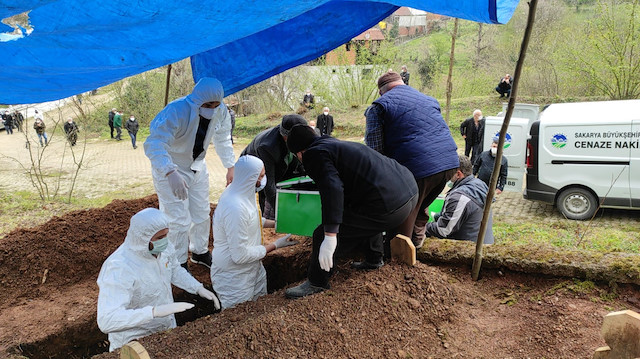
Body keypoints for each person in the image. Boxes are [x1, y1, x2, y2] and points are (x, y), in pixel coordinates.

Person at [284, 125, 418, 299]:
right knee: (361, 214)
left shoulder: (313, 154)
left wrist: (330, 234)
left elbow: (332, 189)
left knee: (320, 234)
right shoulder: (332, 144)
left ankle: (317, 282)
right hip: (409, 193)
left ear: (299, 153)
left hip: (389, 205)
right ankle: (374, 259)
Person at [97, 208, 220, 352]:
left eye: (166, 235)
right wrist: (153, 312)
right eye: (159, 238)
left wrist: (197, 288)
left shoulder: (163, 249)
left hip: (165, 332)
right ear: (143, 238)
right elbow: (107, 320)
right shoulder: (119, 268)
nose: (165, 241)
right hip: (135, 342)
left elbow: (174, 269)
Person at [144, 77, 235, 270]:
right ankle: (177, 262)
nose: (212, 108)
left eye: (216, 104)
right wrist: (169, 172)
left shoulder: (221, 112)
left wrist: (230, 166)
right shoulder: (176, 111)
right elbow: (155, 143)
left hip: (197, 167)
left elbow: (223, 137)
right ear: (197, 100)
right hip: (172, 168)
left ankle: (199, 251)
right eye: (208, 104)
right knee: (177, 218)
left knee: (201, 213)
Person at [364, 71, 459, 250]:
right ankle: (416, 248)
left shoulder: (378, 106)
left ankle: (399, 264)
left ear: (381, 91)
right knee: (419, 204)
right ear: (403, 83)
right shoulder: (429, 99)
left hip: (418, 169)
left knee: (400, 218)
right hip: (449, 164)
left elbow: (374, 152)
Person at [212, 155, 299, 309]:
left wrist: (280, 224)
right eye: (261, 176)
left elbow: (252, 219)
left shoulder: (244, 191)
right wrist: (275, 245)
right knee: (238, 319)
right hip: (235, 278)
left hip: (253, 268)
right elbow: (239, 255)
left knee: (259, 311)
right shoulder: (234, 208)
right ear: (249, 178)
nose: (264, 179)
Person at [240, 114, 307, 220]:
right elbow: (269, 185)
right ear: (286, 137)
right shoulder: (267, 146)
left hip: (279, 166)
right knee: (255, 203)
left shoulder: (295, 139)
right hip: (251, 171)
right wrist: (282, 213)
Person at [425, 155, 494, 244]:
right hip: (485, 242)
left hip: (469, 249)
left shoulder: (459, 197)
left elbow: (443, 230)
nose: (447, 176)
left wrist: (422, 227)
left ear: (458, 174)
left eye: (449, 173)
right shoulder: (480, 185)